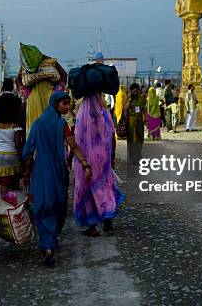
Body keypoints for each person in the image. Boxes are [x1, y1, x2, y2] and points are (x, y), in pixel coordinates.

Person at [21, 92, 92, 266]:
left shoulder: (37, 124)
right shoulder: (62, 125)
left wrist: (25, 172)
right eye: (64, 104)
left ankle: (47, 245)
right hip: (58, 171)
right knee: (57, 207)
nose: (67, 107)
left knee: (42, 207)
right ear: (55, 104)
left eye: (68, 104)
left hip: (40, 173)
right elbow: (73, 146)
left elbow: (28, 151)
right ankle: (50, 243)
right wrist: (85, 164)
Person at [73, 93, 125, 237]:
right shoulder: (105, 114)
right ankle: (108, 221)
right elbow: (112, 137)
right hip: (102, 159)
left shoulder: (82, 114)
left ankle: (92, 226)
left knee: (88, 189)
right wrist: (112, 157)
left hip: (86, 160)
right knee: (104, 187)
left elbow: (77, 139)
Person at [0, 93, 25, 193]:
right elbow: (18, 144)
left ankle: (4, 203)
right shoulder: (15, 126)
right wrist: (21, 159)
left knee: (3, 182)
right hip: (12, 155)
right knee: (14, 180)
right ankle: (14, 203)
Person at [126, 83, 146, 165]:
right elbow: (125, 109)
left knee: (140, 139)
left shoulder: (142, 99)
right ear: (131, 91)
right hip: (131, 122)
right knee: (132, 140)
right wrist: (129, 100)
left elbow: (144, 110)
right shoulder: (129, 99)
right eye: (134, 91)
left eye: (137, 91)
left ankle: (138, 155)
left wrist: (146, 120)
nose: (135, 93)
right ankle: (133, 158)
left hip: (140, 121)